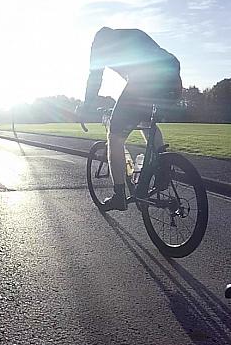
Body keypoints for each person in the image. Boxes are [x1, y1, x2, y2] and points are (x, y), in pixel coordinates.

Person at [77, 27, 182, 212]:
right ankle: (162, 169)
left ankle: (119, 196)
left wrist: (86, 107)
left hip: (144, 82)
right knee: (146, 122)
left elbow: (95, 77)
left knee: (115, 136)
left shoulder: (100, 45)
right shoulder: (134, 33)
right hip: (172, 79)